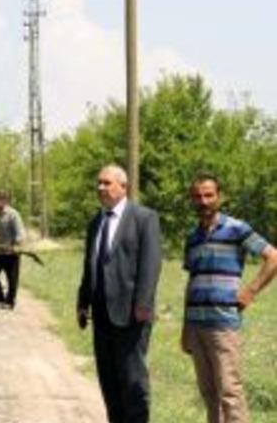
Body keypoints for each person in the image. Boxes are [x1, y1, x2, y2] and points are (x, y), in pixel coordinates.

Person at [181, 173, 277, 423]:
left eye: (208, 195)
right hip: (196, 325)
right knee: (208, 393)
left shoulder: (237, 228)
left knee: (230, 392)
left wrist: (250, 291)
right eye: (198, 196)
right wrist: (185, 328)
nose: (203, 201)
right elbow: (191, 283)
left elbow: (273, 257)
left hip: (223, 325)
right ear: (192, 199)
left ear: (219, 197)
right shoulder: (192, 237)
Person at [76, 164, 162, 423]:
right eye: (99, 183)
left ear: (123, 187)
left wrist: (144, 304)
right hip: (101, 316)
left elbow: (151, 263)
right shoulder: (95, 223)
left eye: (107, 183)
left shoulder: (144, 218)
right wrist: (82, 302)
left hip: (131, 315)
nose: (101, 188)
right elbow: (89, 266)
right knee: (109, 383)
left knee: (132, 383)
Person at [0, 190, 25, 308]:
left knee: (12, 279)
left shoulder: (13, 214)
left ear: (3, 201)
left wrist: (16, 245)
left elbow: (20, 233)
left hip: (11, 253)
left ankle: (9, 302)